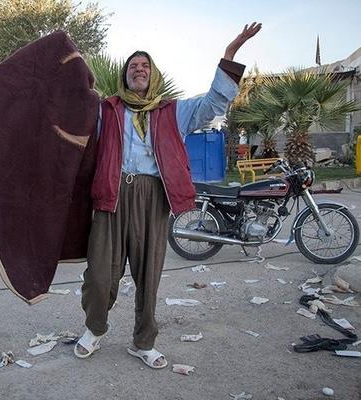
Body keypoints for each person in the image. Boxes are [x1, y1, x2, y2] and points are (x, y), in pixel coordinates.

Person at [74, 23, 262, 369]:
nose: (139, 70)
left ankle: (143, 342)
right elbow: (71, 125)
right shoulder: (106, 110)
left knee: (149, 275)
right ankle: (94, 328)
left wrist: (230, 55)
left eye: (145, 65)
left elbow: (213, 103)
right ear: (124, 76)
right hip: (110, 195)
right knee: (100, 275)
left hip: (152, 197)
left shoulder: (172, 111)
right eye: (133, 66)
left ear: (153, 74)